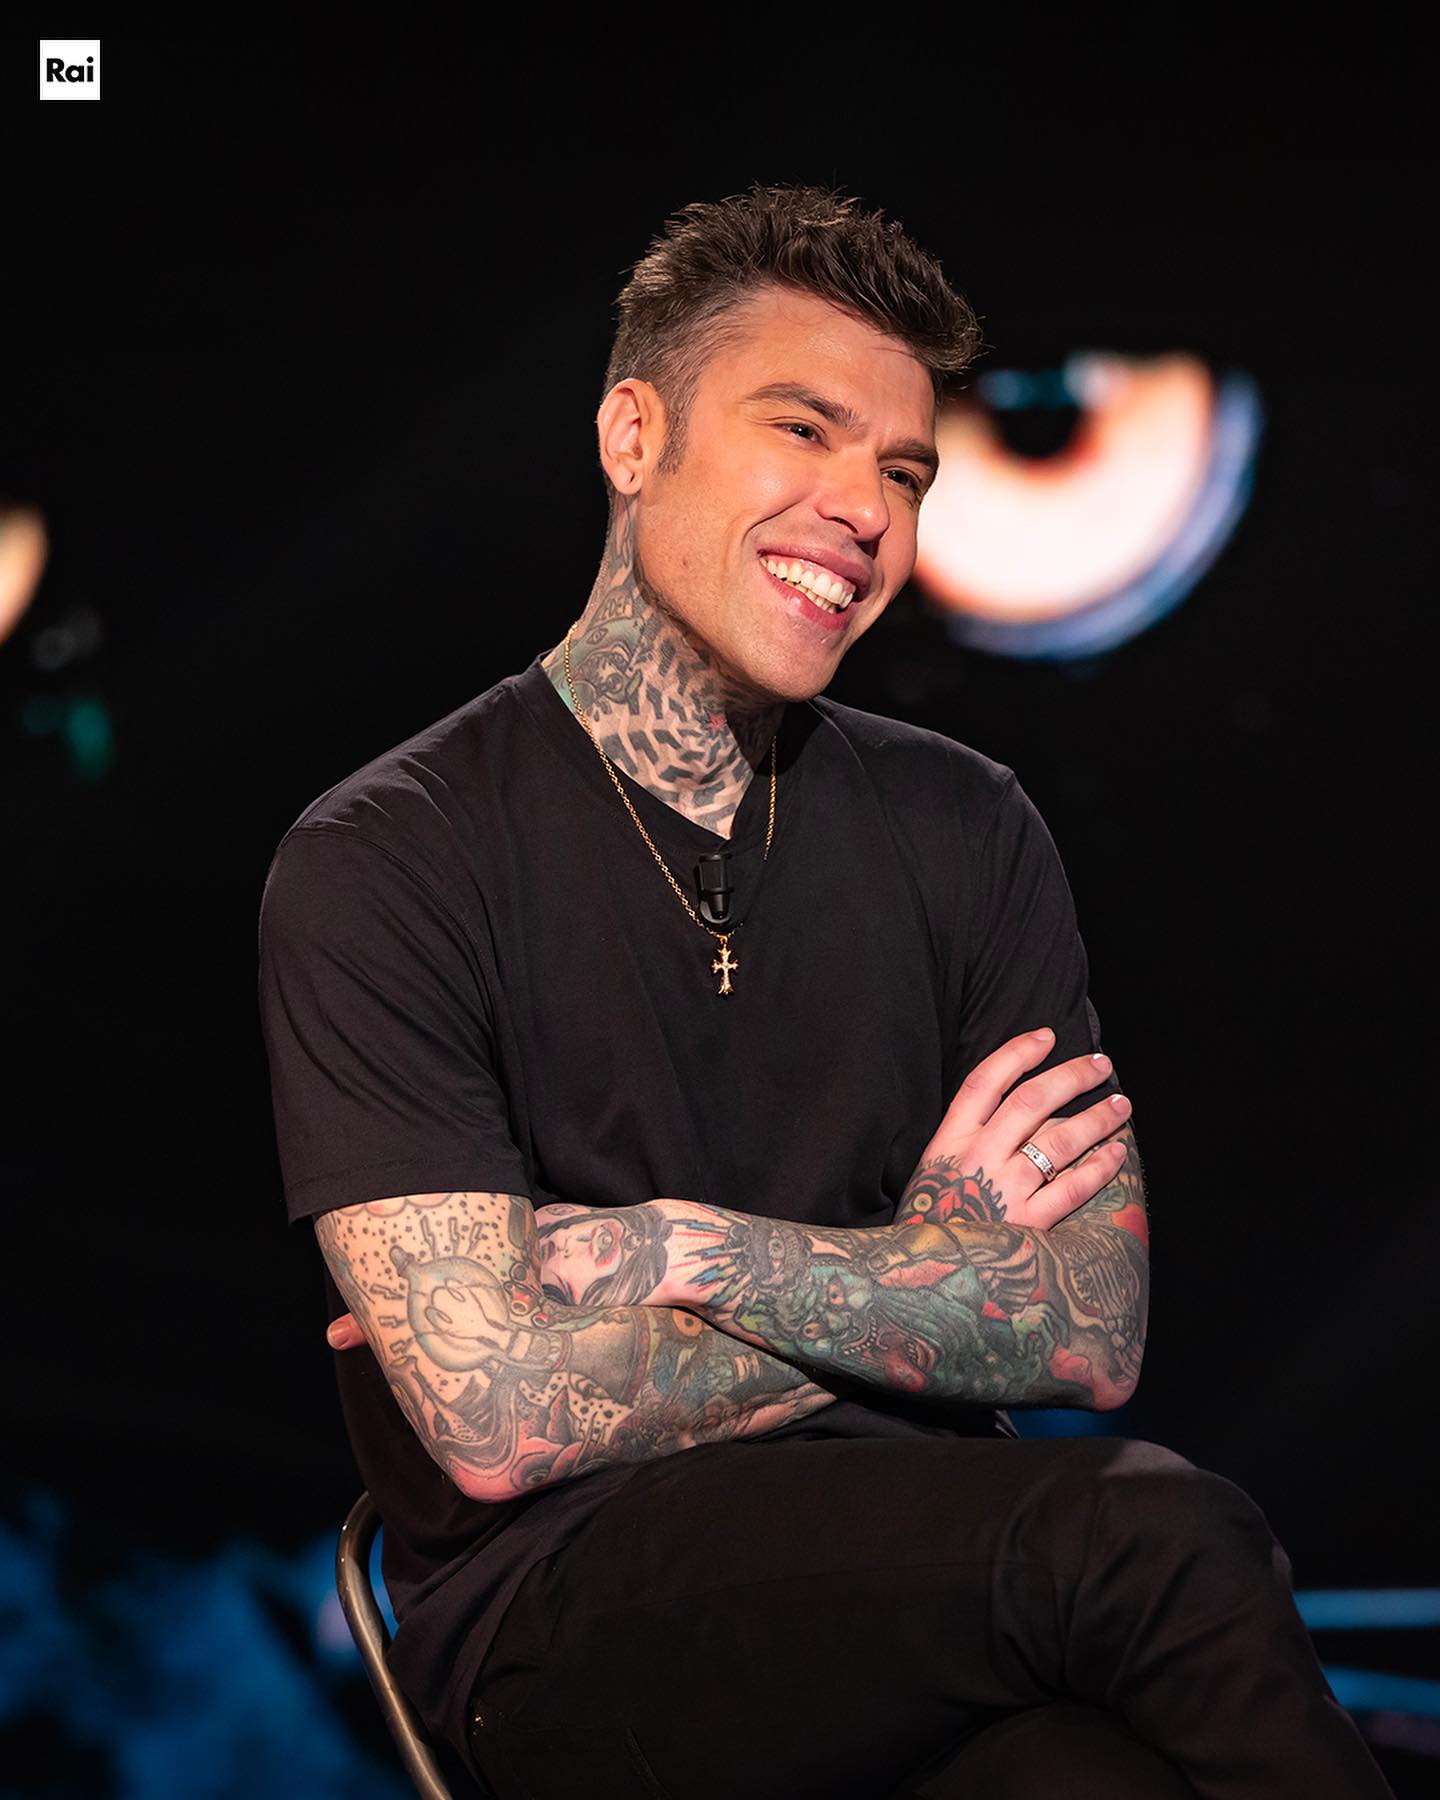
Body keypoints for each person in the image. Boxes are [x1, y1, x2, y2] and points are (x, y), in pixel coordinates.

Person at [258, 184, 1391, 1799]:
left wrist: (691, 1254)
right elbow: (502, 1417)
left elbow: (1090, 1323)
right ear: (634, 435)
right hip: (576, 1612)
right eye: (805, 429)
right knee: (1150, 1530)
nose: (866, 509)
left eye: (906, 473)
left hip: (934, 1561)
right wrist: (931, 1280)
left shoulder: (967, 822)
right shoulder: (390, 852)